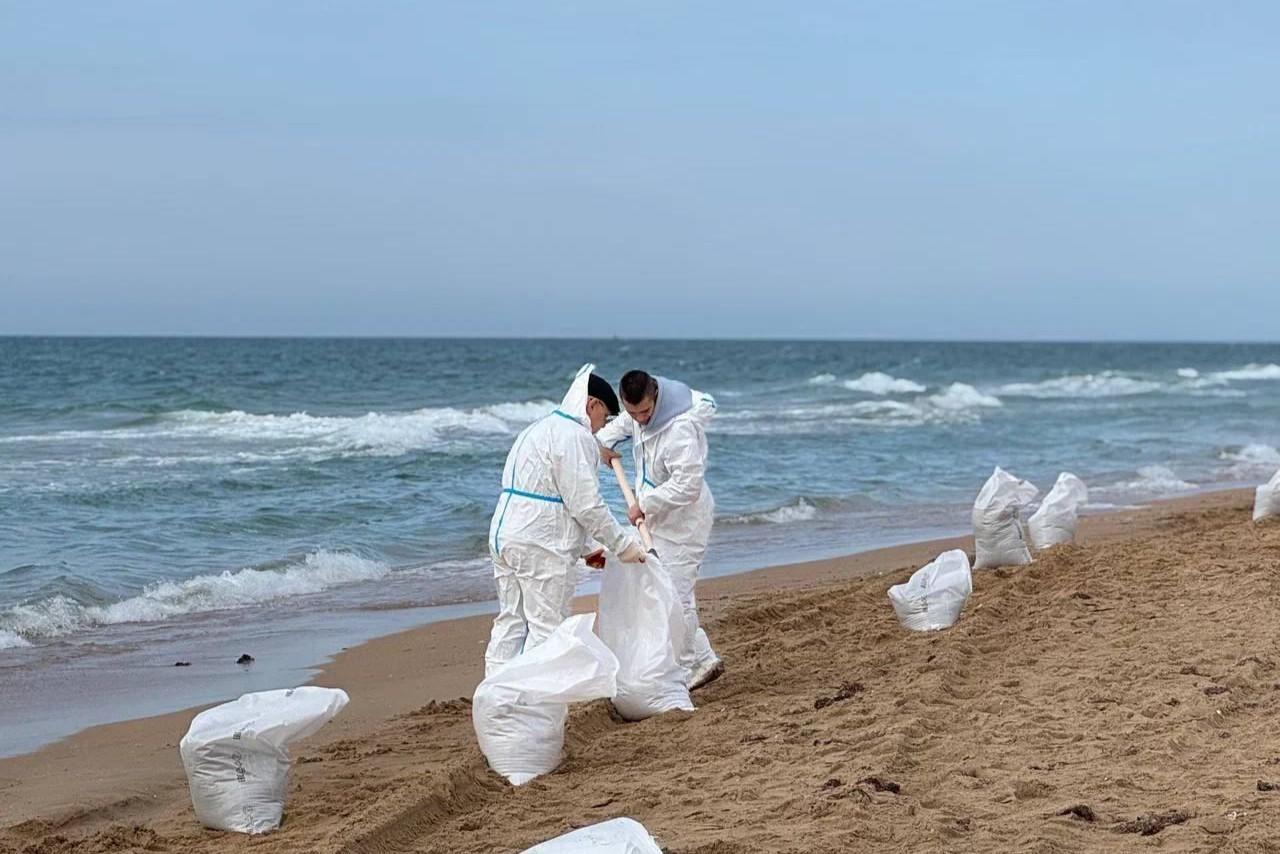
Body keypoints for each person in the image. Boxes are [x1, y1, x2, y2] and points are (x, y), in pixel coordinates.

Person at [484, 363, 646, 677]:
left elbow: (558, 497)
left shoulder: (540, 428)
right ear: (592, 405)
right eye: (604, 417)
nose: (600, 427)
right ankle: (534, 698)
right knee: (547, 626)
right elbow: (586, 506)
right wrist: (623, 546)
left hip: (505, 536)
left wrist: (589, 548)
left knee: (511, 620)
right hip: (540, 543)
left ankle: (496, 694)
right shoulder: (574, 436)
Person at [597, 370, 724, 689]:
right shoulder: (634, 417)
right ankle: (702, 656)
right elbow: (610, 433)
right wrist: (602, 447)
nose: (640, 419)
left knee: (675, 595)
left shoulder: (679, 428)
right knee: (654, 585)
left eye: (645, 411)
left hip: (686, 521)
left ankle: (689, 666)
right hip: (656, 519)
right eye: (633, 413)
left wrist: (644, 503)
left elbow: (688, 486)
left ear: (655, 396)